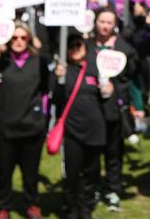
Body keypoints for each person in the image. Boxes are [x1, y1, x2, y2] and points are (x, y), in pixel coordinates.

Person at [0, 23, 48, 219]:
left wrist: (42, 117)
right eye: (14, 38)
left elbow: (45, 91)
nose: (18, 42)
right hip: (5, 127)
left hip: (31, 127)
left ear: (28, 40)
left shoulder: (38, 62)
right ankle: (4, 206)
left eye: (22, 38)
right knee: (4, 172)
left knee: (31, 173)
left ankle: (31, 204)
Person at [53, 33, 112, 219]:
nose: (75, 48)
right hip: (72, 131)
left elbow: (106, 98)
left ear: (86, 47)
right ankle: (70, 208)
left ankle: (85, 207)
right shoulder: (62, 71)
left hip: (95, 130)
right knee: (71, 174)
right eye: (70, 46)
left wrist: (109, 90)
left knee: (91, 173)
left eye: (79, 44)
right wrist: (57, 79)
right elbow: (55, 99)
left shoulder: (96, 68)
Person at [88, 8, 138, 211]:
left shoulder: (124, 49)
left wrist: (115, 87)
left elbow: (131, 77)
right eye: (102, 21)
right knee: (91, 152)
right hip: (91, 108)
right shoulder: (86, 46)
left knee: (113, 151)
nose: (105, 25)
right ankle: (91, 188)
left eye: (109, 22)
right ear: (95, 22)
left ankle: (112, 190)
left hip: (113, 109)